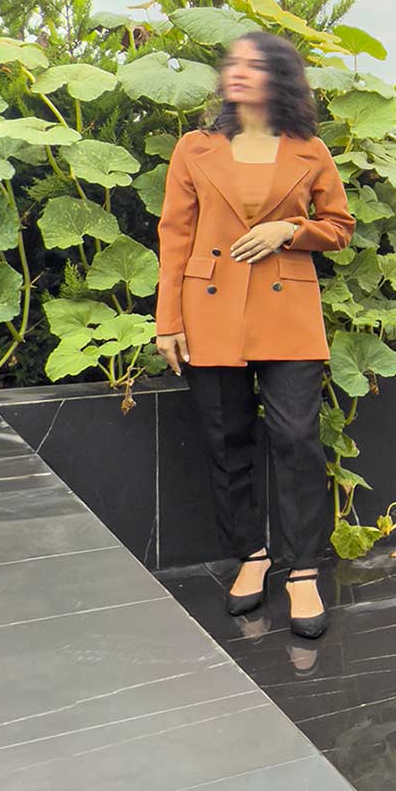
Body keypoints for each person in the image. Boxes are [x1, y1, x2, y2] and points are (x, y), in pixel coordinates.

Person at [153, 33, 351, 637]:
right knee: (226, 439)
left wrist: (290, 230)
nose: (237, 72)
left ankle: (303, 573)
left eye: (254, 65)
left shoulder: (308, 149)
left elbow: (339, 227)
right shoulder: (196, 147)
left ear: (280, 78)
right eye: (232, 63)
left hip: (285, 307)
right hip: (208, 306)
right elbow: (175, 236)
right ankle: (252, 556)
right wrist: (169, 320)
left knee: (296, 438)